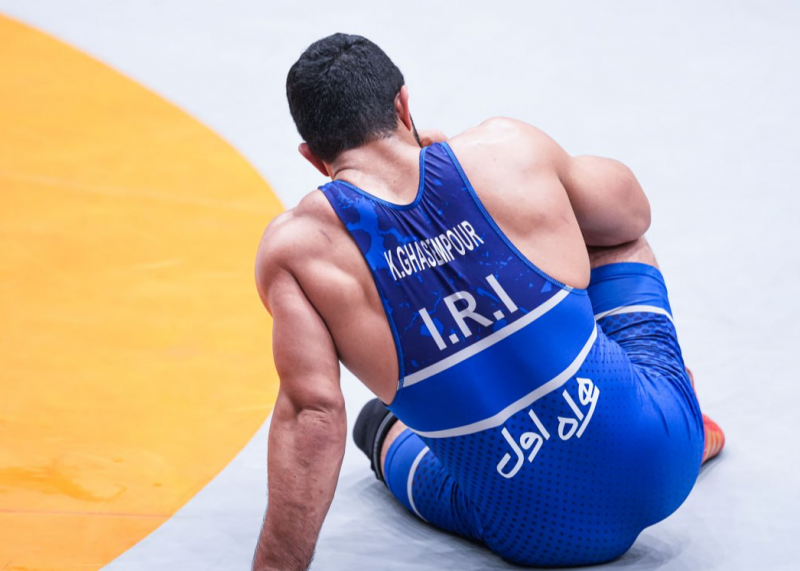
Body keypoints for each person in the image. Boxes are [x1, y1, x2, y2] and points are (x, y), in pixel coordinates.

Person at [252, 33, 724, 571]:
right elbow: (631, 216)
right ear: (403, 104)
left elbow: (313, 415)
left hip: (538, 532)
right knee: (609, 238)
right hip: (664, 451)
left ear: (313, 158)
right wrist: (498, 194)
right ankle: (671, 395)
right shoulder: (503, 149)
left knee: (377, 426)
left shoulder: (298, 251)